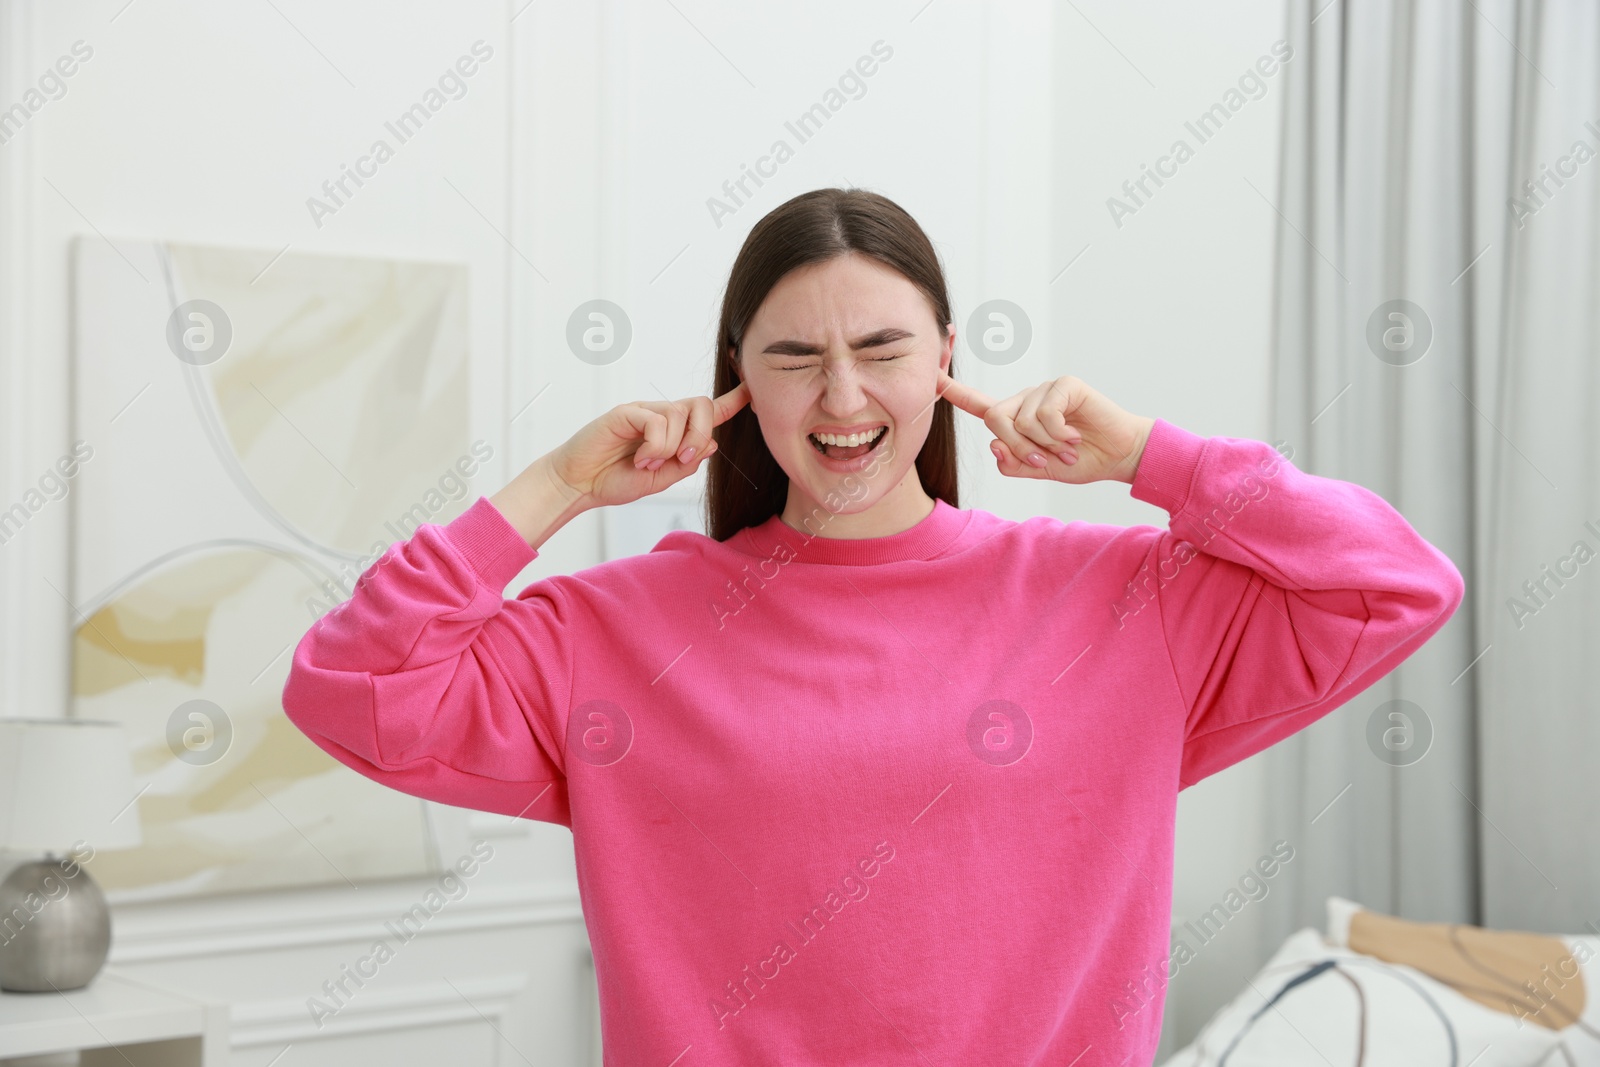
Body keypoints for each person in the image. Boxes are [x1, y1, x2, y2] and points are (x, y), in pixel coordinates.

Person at [281, 188, 1465, 1065]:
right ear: (734, 378)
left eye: (882, 349)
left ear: (947, 359)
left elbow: (1394, 581)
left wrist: (1155, 456)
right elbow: (350, 683)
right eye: (794, 358)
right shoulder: (621, 627)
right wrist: (557, 482)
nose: (841, 398)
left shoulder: (1120, 601)